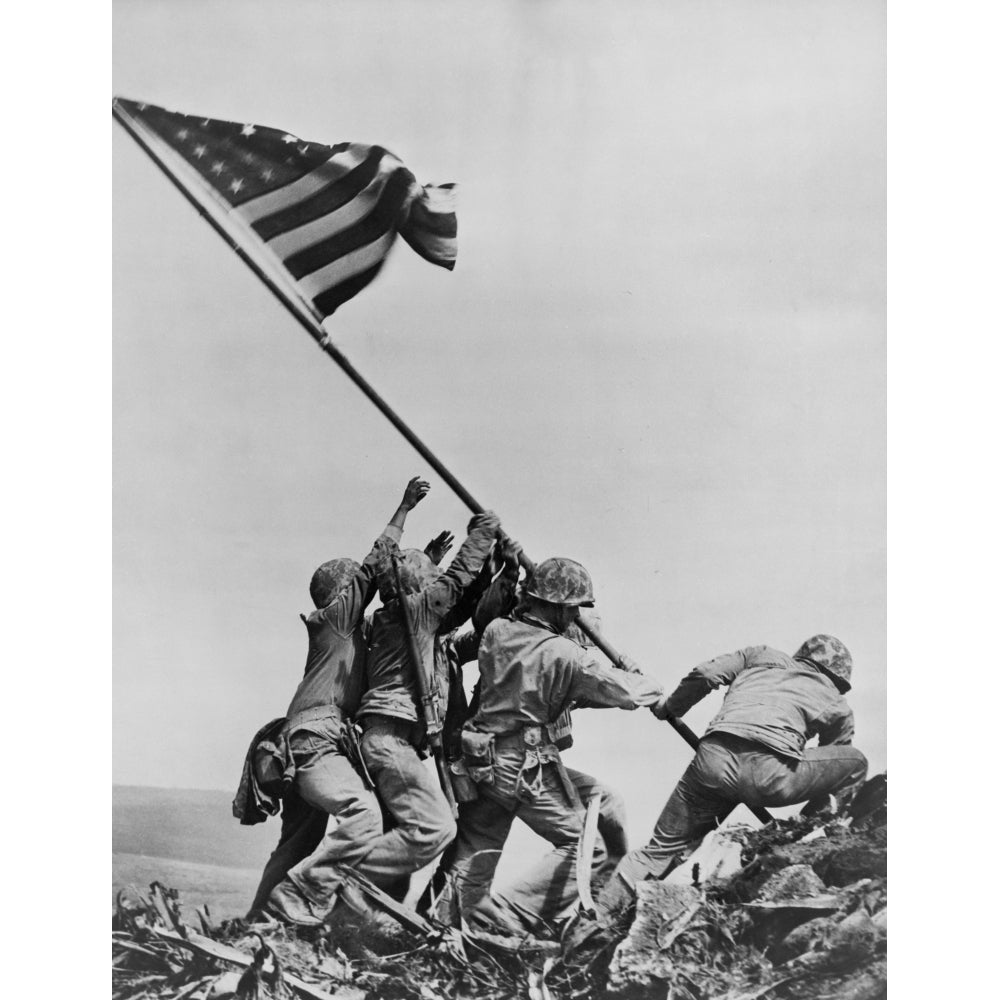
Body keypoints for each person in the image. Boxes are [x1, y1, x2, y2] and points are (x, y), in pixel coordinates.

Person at [437, 558, 664, 936]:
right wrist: (642, 679)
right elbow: (623, 692)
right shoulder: (566, 653)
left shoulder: (497, 631)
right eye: (573, 607)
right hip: (523, 764)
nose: (577, 615)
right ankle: (510, 918)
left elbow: (555, 685)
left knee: (480, 844)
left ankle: (447, 922)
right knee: (587, 848)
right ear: (558, 606)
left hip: (483, 758)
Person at [594, 634, 869, 923]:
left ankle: (597, 917)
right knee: (855, 762)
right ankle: (814, 833)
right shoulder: (836, 702)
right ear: (837, 678)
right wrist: (807, 822)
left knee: (658, 850)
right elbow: (834, 759)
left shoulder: (761, 655)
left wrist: (671, 708)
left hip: (711, 762)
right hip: (769, 776)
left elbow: (705, 674)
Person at [251, 477, 429, 925]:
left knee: (297, 843)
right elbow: (373, 570)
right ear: (341, 593)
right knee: (363, 814)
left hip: (309, 743)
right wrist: (403, 510)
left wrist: (428, 565)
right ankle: (300, 900)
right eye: (355, 590)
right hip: (315, 741)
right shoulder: (333, 621)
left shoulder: (351, 634)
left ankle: (258, 922)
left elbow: (398, 599)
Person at [346, 509, 503, 902]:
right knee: (435, 828)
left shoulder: (396, 621)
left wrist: (495, 572)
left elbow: (461, 604)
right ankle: (341, 883)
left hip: (393, 742)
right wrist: (482, 533)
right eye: (430, 581)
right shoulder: (416, 614)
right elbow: (456, 582)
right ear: (419, 588)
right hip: (391, 741)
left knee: (403, 834)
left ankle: (368, 913)